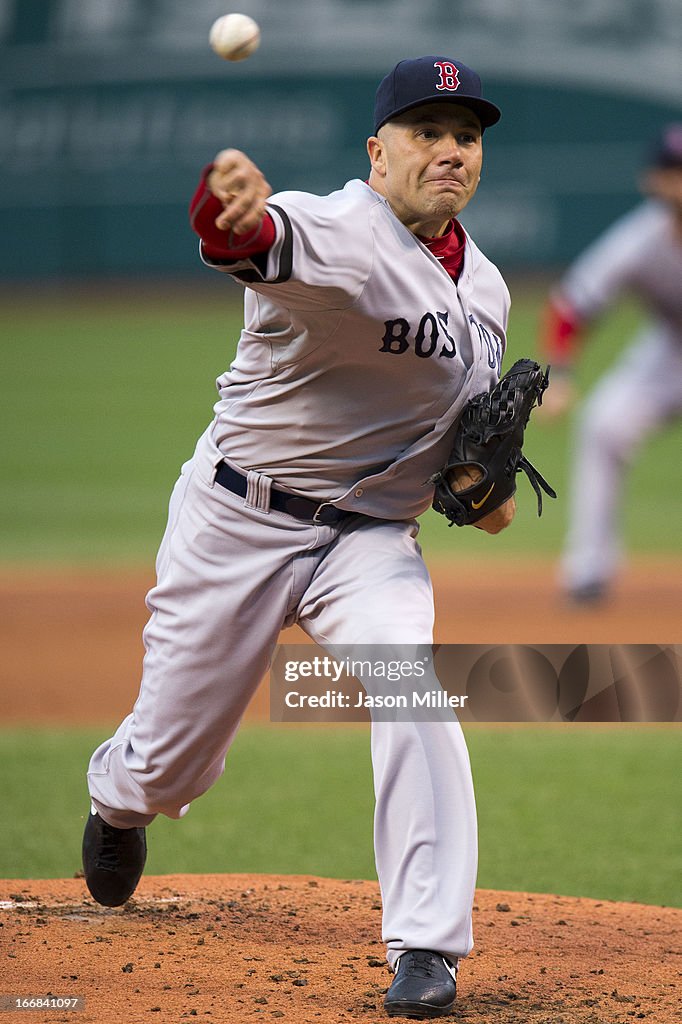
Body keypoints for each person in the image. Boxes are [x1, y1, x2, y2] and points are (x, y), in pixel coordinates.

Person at [82, 56, 515, 1019]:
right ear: (378, 150)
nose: (449, 149)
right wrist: (226, 209)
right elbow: (252, 240)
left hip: (367, 546)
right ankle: (120, 800)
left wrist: (482, 494)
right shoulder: (341, 232)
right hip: (238, 520)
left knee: (411, 684)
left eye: (467, 135)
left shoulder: (485, 293)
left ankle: (427, 947)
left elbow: (474, 476)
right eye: (425, 130)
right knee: (171, 759)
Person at [539, 123, 682, 603]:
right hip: (668, 353)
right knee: (603, 424)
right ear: (653, 180)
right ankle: (589, 569)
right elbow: (570, 305)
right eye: (673, 170)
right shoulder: (639, 241)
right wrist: (560, 373)